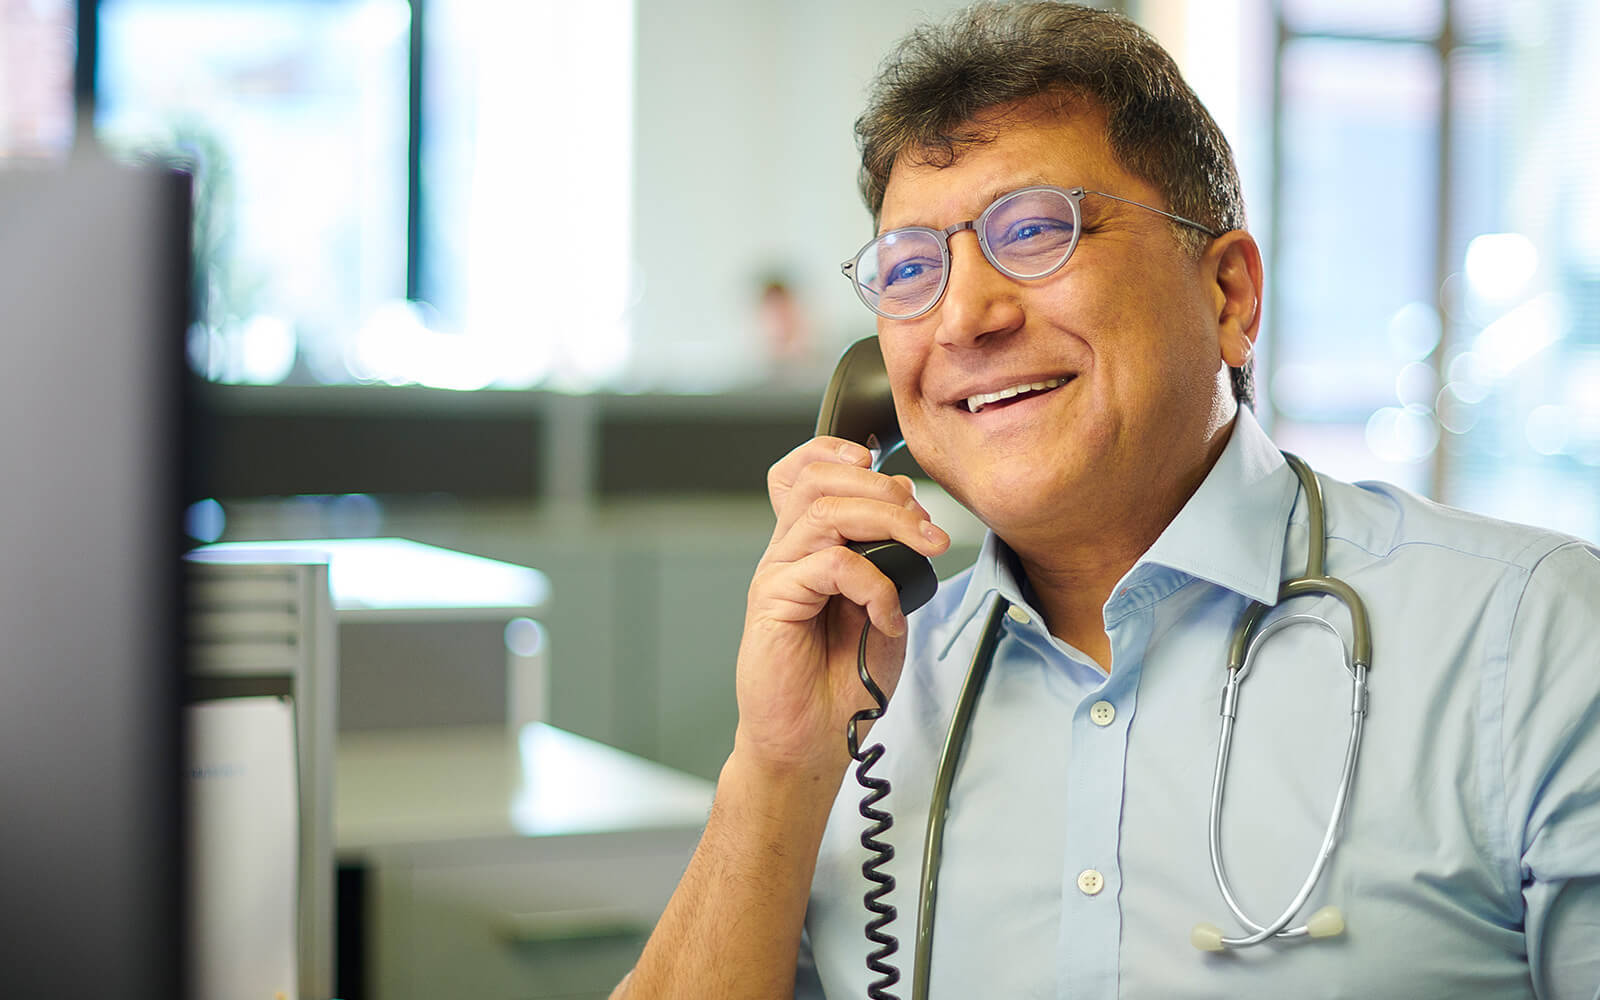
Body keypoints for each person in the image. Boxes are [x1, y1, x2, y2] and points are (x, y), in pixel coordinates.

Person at [613, 3, 1600, 997]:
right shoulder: (864, 692)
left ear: (1228, 295)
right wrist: (778, 769)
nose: (965, 317)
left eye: (1036, 231)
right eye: (911, 269)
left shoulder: (1530, 638)